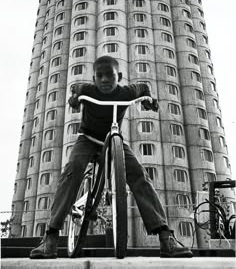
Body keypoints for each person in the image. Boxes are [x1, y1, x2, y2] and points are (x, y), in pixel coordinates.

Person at [30, 55, 193, 259]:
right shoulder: (88, 90)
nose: (105, 80)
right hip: (87, 139)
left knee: (139, 175)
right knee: (72, 171)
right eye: (100, 76)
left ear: (120, 76)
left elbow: (143, 88)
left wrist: (150, 100)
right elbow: (76, 91)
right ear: (94, 78)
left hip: (114, 138)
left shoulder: (126, 92)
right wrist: (74, 101)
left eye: (110, 76)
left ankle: (165, 238)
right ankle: (51, 238)